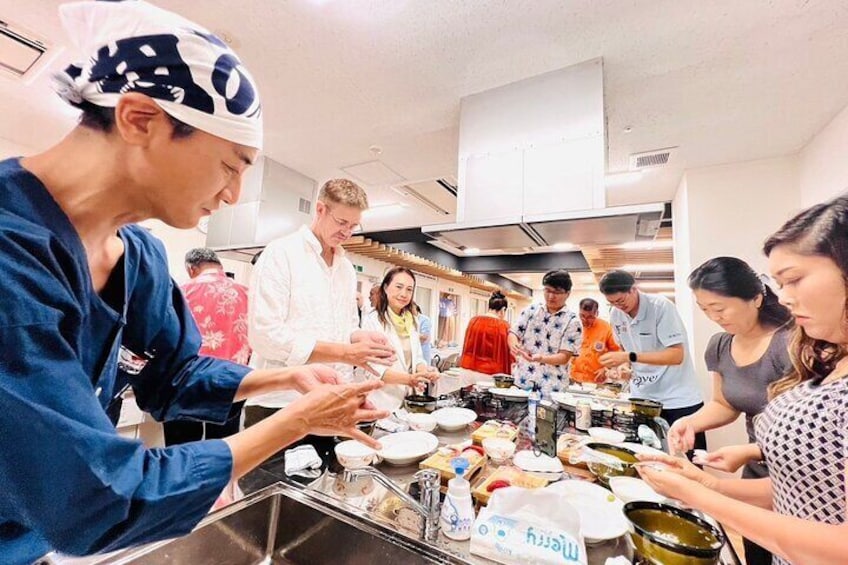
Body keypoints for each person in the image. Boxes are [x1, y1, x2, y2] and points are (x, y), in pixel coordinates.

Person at [0, 2, 388, 563]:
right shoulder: (14, 250)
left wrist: (284, 377)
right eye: (231, 165)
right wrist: (295, 421)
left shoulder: (141, 255)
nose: (233, 194)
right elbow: (89, 498)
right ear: (139, 120)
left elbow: (174, 376)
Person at [638, 195, 848, 565]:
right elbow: (801, 489)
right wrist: (708, 479)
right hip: (769, 488)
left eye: (795, 280)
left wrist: (705, 495)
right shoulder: (727, 345)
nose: (785, 298)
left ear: (753, 298)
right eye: (706, 311)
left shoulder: (795, 342)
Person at [668, 257, 794, 565]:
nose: (713, 317)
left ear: (756, 298)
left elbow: (800, 430)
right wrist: (691, 422)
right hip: (756, 472)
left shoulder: (789, 344)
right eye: (704, 309)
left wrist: (752, 450)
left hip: (794, 474)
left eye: (720, 308)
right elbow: (724, 404)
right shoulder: (720, 345)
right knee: (757, 553)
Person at [246, 178, 396, 425]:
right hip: (281, 402)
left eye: (354, 226)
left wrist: (359, 338)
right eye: (341, 222)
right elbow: (265, 336)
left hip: (332, 397)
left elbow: (343, 327)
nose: (347, 232)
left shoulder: (346, 268)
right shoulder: (282, 253)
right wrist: (345, 352)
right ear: (320, 209)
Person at [598, 270, 705, 450]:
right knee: (646, 455)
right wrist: (624, 367)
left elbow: (677, 355)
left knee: (685, 459)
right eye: (612, 303)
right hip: (643, 398)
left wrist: (629, 357)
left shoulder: (661, 306)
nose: (618, 306)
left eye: (621, 301)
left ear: (633, 289)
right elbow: (625, 350)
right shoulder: (616, 315)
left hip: (676, 398)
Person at [163, 248, 250, 447]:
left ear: (191, 269)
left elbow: (165, 336)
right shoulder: (247, 293)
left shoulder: (181, 292)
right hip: (234, 381)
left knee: (182, 448)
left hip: (187, 381)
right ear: (219, 265)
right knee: (223, 447)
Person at [358, 268, 440, 410]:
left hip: (409, 399)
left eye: (409, 289)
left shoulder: (412, 320)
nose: (404, 294)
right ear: (385, 287)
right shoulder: (372, 321)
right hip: (383, 400)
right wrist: (409, 380)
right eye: (399, 287)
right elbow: (372, 368)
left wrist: (423, 372)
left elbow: (418, 357)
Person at [508, 270, 583, 398]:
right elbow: (513, 332)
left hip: (552, 388)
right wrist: (513, 344)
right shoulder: (531, 310)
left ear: (568, 294)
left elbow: (564, 356)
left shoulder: (572, 321)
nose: (551, 296)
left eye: (557, 292)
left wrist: (541, 358)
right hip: (523, 381)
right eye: (547, 290)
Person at [460, 290, 514, 375]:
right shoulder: (504, 326)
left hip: (468, 369)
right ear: (503, 309)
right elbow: (509, 353)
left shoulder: (473, 321)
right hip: (490, 373)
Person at [569, 298, 622, 384]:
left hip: (595, 380)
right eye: (582, 316)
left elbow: (617, 352)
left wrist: (606, 369)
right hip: (573, 378)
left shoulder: (606, 328)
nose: (585, 320)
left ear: (597, 313)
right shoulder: (573, 326)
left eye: (590, 317)